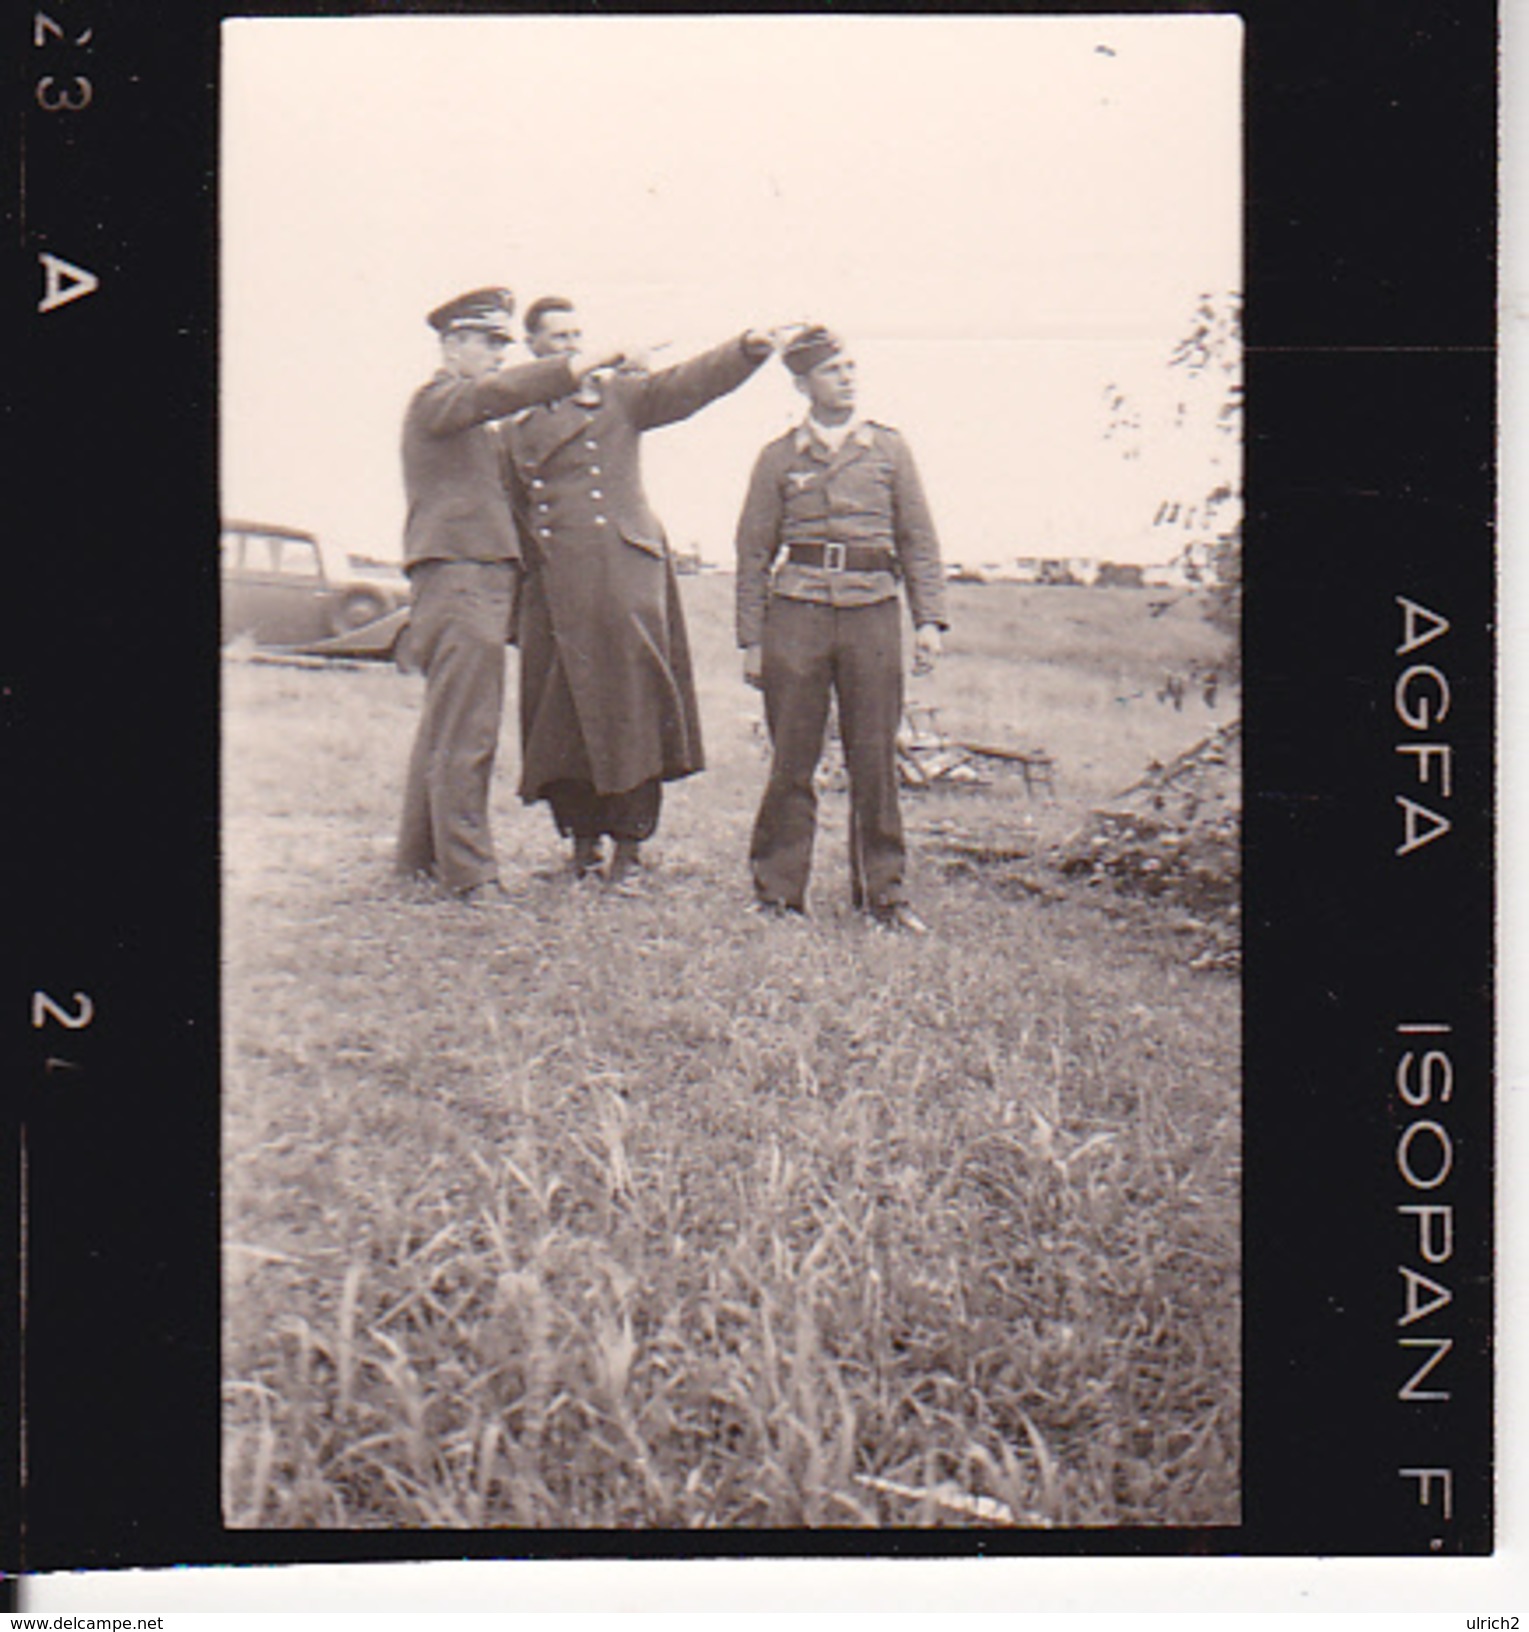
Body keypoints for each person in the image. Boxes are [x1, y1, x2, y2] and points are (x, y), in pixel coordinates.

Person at [503, 297, 777, 888]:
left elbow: (687, 386)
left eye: (579, 332)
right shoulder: (514, 423)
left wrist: (746, 347)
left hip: (623, 576)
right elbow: (512, 516)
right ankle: (582, 846)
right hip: (554, 587)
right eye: (557, 336)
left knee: (630, 708)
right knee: (562, 718)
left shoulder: (619, 396)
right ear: (533, 347)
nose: (572, 344)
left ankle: (629, 849)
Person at [395, 286, 622, 905]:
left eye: (504, 343)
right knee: (468, 731)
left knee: (446, 723)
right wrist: (574, 366)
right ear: (451, 345)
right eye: (489, 343)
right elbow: (496, 394)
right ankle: (471, 878)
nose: (499, 354)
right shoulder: (439, 400)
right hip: (461, 576)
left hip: (474, 577)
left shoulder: (466, 416)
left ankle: (418, 859)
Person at [735, 326, 948, 932]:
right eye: (833, 370)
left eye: (852, 367)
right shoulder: (778, 457)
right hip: (797, 614)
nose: (848, 378)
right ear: (803, 385)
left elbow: (918, 539)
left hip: (872, 610)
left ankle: (882, 895)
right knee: (792, 759)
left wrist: (928, 620)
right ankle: (778, 894)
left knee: (875, 758)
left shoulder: (889, 449)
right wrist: (752, 640)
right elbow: (752, 551)